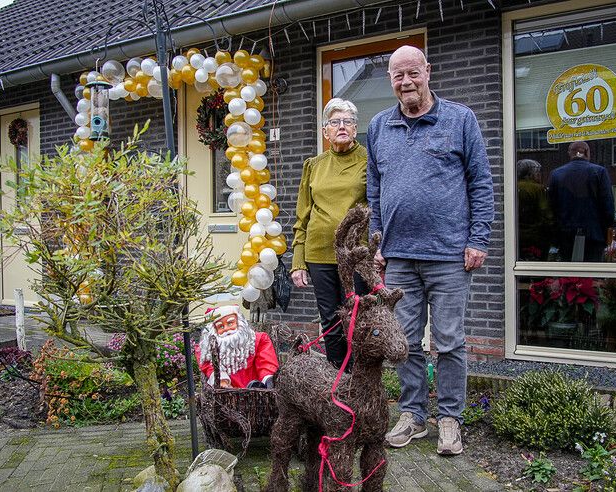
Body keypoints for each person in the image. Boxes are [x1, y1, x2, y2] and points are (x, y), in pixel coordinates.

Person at [367, 46, 494, 456]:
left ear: (427, 71)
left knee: (449, 340)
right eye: (397, 75)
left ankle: (450, 419)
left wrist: (478, 238)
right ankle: (413, 415)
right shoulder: (378, 127)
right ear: (390, 80)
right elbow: (374, 189)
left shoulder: (460, 119)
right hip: (399, 256)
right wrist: (378, 240)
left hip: (449, 255)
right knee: (404, 340)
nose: (406, 82)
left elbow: (481, 183)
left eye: (412, 73)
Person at [290, 98, 368, 370]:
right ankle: (338, 379)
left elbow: (377, 207)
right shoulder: (314, 165)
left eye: (347, 121)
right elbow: (303, 215)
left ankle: (360, 379)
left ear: (356, 129)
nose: (341, 126)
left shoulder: (368, 161)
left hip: (355, 255)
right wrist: (298, 260)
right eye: (335, 122)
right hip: (319, 253)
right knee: (331, 320)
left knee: (357, 319)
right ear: (325, 131)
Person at [548, 141, 614, 262]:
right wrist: (606, 229)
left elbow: (552, 207)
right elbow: (607, 206)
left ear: (570, 153)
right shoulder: (599, 172)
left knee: (568, 276)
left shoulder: (556, 174)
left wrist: (555, 235)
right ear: (587, 152)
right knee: (592, 276)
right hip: (594, 235)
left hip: (565, 235)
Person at [195, 305, 279, 389]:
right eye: (221, 326)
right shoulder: (207, 348)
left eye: (230, 323)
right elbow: (209, 366)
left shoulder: (258, 340)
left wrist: (267, 379)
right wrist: (221, 379)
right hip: (229, 392)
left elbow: (266, 362)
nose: (227, 329)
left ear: (239, 322)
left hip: (258, 389)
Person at [517, 159, 553, 260]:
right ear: (531, 173)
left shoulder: (512, 186)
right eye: (538, 172)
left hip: (517, 236)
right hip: (535, 237)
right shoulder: (538, 189)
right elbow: (545, 213)